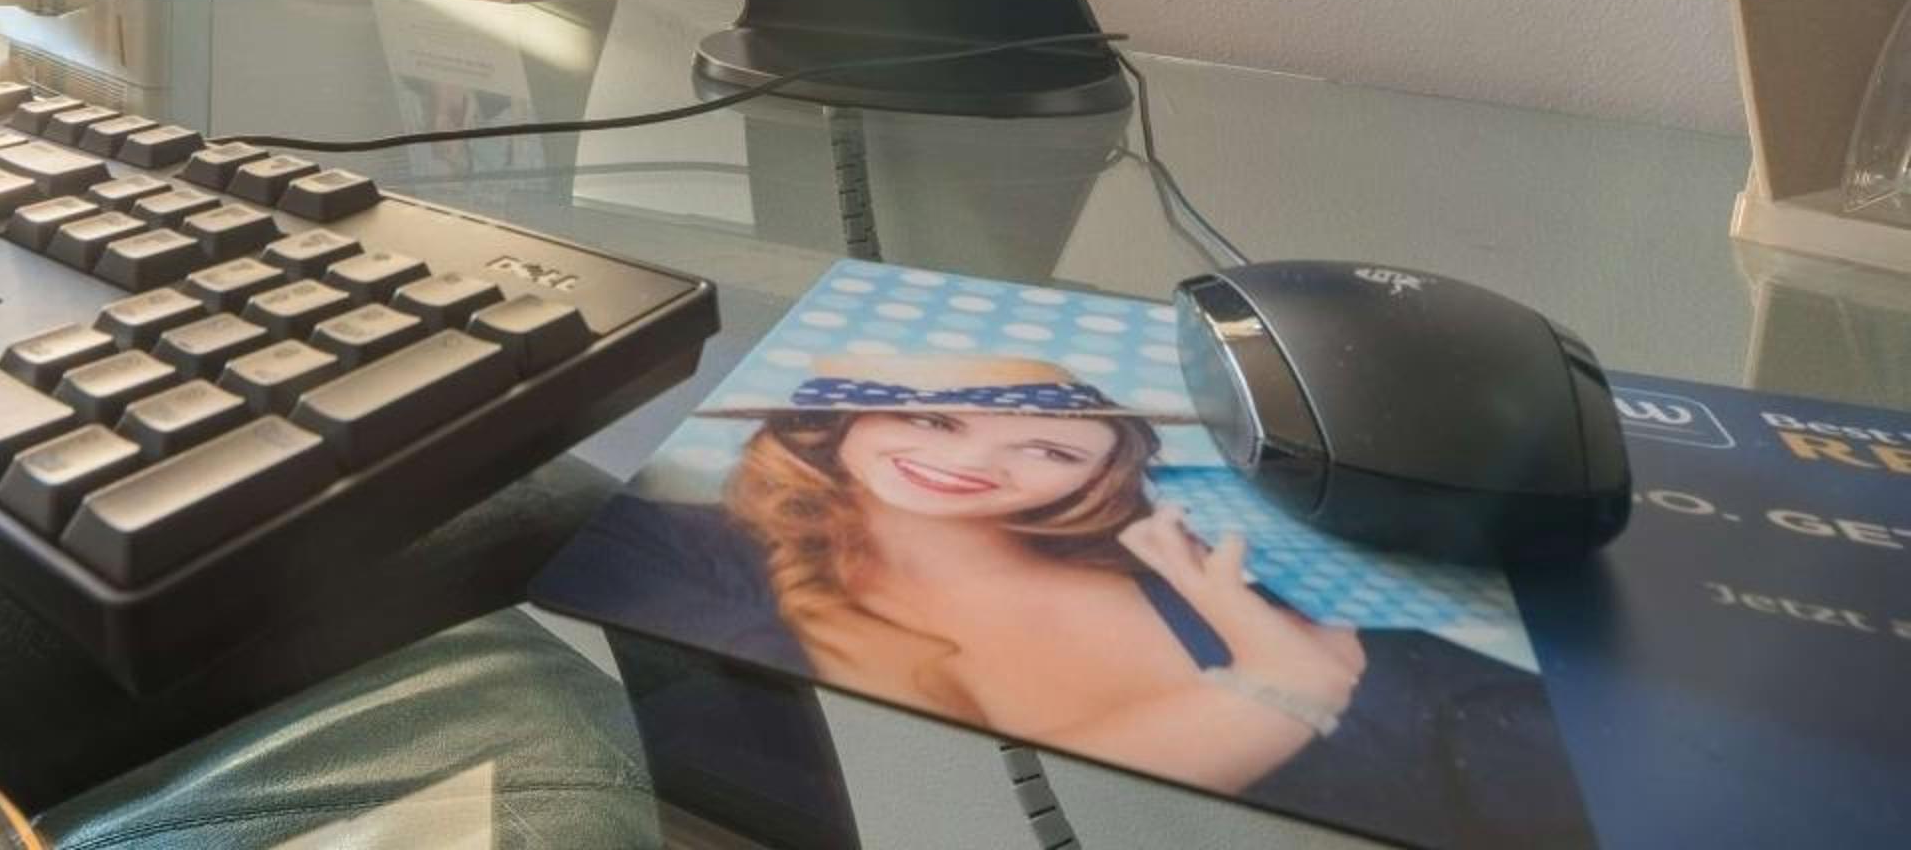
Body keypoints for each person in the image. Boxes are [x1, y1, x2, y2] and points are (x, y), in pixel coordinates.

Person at [546, 354, 1588, 845]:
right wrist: (1278, 689)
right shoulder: (681, 550)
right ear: (843, 423)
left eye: (1047, 446)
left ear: (1097, 469)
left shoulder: (1231, 580)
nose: (976, 460)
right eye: (935, 419)